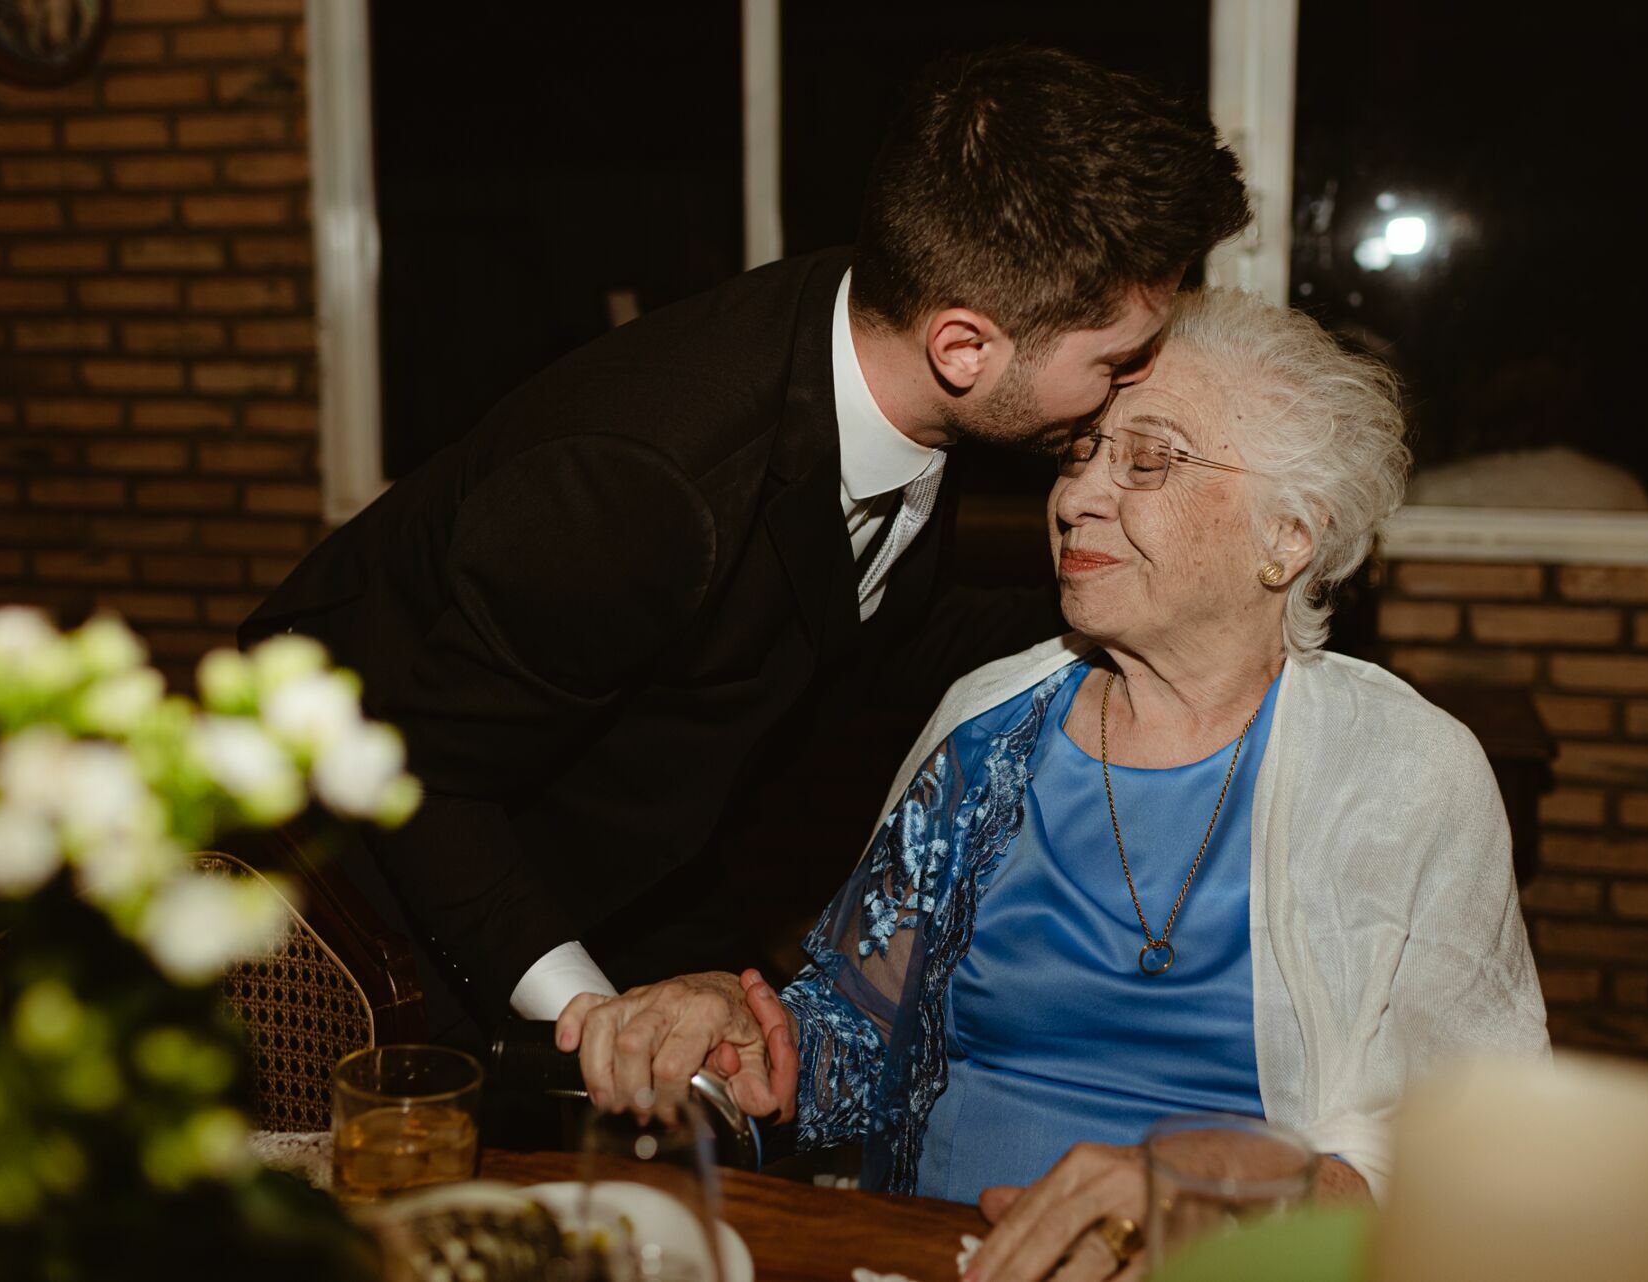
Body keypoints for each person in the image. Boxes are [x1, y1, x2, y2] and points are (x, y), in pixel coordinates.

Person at [239, 47, 1251, 1042]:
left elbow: (879, 617)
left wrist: (1154, 605)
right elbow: (425, 780)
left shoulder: (884, 345)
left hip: (629, 832)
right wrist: (591, 1015)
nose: (1133, 387)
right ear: (964, 347)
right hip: (364, 880)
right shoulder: (647, 486)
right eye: (1118, 363)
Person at [560, 287, 1551, 1280]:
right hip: (939, 1259)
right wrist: (744, 1041)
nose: (1076, 497)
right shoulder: (987, 733)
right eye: (1080, 453)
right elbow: (858, 1044)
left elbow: (1487, 1145)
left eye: (1148, 459)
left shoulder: (1405, 775)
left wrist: (1230, 1195)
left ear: (1290, 536)